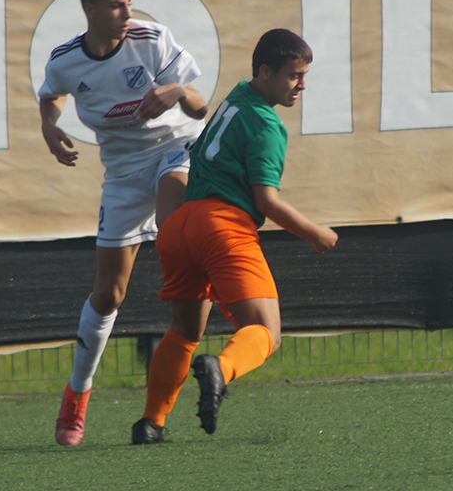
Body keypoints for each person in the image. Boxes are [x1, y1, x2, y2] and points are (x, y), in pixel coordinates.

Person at [130, 29, 338, 445]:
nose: (302, 85)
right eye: (294, 75)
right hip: (221, 227)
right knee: (266, 332)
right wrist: (316, 234)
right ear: (265, 72)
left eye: (304, 75)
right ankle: (220, 370)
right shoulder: (266, 124)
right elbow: (266, 201)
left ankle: (150, 423)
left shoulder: (237, 96)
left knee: (183, 331)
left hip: (181, 227)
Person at [38, 0, 208, 446]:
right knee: (109, 293)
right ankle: (77, 393)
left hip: (174, 150)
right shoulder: (65, 60)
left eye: (130, 4)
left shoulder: (151, 40)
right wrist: (49, 126)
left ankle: (208, 311)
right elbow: (52, 94)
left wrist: (176, 91)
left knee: (175, 237)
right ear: (89, 8)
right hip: (122, 174)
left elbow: (199, 107)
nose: (127, 14)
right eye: (117, 6)